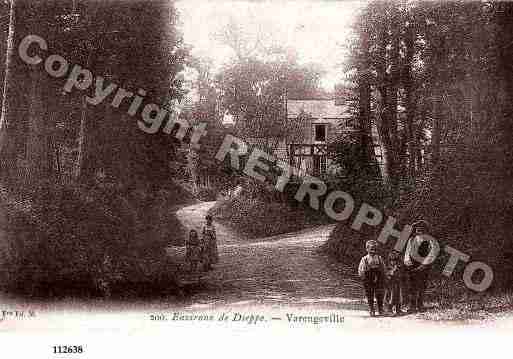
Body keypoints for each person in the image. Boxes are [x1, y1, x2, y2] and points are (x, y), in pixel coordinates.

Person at [404, 220, 437, 313]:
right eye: (418, 230)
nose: (419, 232)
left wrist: (424, 265)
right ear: (415, 231)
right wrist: (408, 263)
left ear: (426, 231)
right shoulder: (411, 240)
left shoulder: (430, 241)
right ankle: (412, 305)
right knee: (412, 285)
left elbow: (432, 254)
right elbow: (407, 252)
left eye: (422, 230)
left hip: (424, 266)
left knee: (422, 285)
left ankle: (420, 304)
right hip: (412, 265)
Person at [358, 240, 386, 317]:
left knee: (379, 294)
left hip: (378, 278)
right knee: (369, 294)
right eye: (371, 249)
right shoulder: (365, 259)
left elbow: (383, 268)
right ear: (367, 249)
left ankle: (380, 309)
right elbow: (361, 270)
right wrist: (363, 278)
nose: (373, 251)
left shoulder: (379, 258)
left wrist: (383, 276)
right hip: (368, 278)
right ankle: (371, 309)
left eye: (375, 249)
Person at [384, 250, 404, 316]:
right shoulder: (388, 267)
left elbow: (401, 274)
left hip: (397, 283)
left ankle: (398, 309)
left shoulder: (398, 267)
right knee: (391, 297)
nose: (394, 262)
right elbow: (387, 274)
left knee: (399, 296)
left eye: (396, 261)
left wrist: (398, 272)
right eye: (392, 261)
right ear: (389, 261)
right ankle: (389, 309)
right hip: (391, 284)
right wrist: (392, 272)